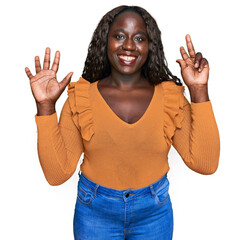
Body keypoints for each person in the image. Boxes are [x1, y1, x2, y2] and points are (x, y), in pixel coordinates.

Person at [25, 5, 220, 240]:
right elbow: (57, 175)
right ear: (104, 41)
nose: (128, 45)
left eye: (139, 38)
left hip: (154, 214)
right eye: (119, 36)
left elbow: (205, 163)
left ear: (150, 46)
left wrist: (198, 89)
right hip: (94, 213)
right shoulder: (82, 97)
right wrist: (45, 106)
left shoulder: (170, 97)